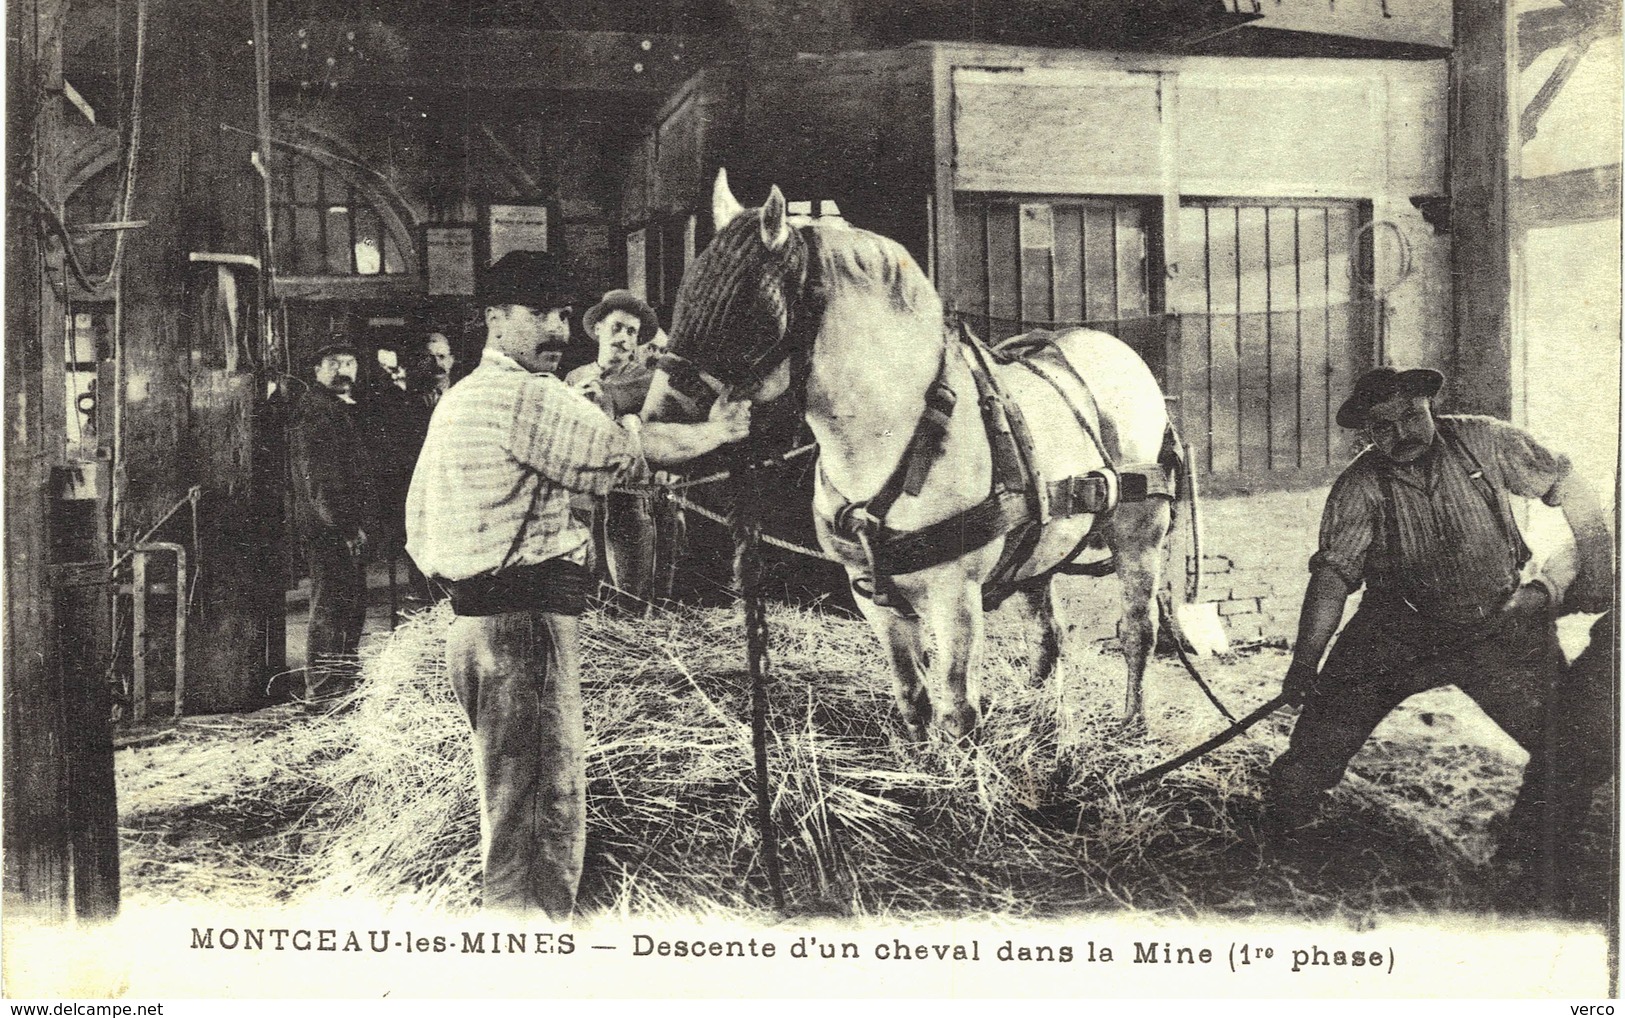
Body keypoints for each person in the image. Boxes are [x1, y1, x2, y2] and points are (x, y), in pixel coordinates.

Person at [405, 250, 753, 917]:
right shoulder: (526, 393)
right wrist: (718, 431)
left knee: (507, 804)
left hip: (472, 627)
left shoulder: (459, 400)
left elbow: (417, 523)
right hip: (525, 629)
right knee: (540, 814)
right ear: (495, 318)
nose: (559, 330)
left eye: (563, 315)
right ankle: (529, 956)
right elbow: (629, 452)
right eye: (540, 314)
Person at [1265, 366, 1614, 909]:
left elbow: (1571, 487)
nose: (1401, 433)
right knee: (1309, 758)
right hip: (1394, 635)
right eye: (1383, 426)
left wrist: (1596, 567)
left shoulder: (1484, 439)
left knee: (1570, 744)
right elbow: (1332, 579)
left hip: (1497, 628)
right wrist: (1303, 665)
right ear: (1367, 433)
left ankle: (1531, 863)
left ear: (1430, 403)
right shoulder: (1361, 485)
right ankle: (1277, 849)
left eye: (1411, 414)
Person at [565, 290, 671, 604]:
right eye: (617, 327)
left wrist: (615, 414)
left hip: (629, 499)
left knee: (630, 589)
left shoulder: (649, 383)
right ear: (598, 328)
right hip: (581, 500)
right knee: (588, 587)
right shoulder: (575, 377)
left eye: (632, 332)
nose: (624, 338)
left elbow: (652, 439)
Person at [290, 341, 377, 703]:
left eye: (350, 361)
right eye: (333, 363)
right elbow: (321, 481)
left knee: (347, 605)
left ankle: (339, 684)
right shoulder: (317, 411)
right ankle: (325, 692)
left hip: (338, 526)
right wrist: (345, 528)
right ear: (316, 370)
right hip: (329, 529)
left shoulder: (335, 408)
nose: (343, 369)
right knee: (331, 607)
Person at [365, 345, 433, 602]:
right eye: (386, 369)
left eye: (395, 368)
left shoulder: (424, 394)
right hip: (400, 478)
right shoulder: (383, 399)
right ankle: (419, 590)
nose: (393, 374)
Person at [419, 331, 458, 409]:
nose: (437, 363)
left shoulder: (462, 393)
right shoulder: (409, 395)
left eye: (441, 356)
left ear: (451, 360)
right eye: (429, 358)